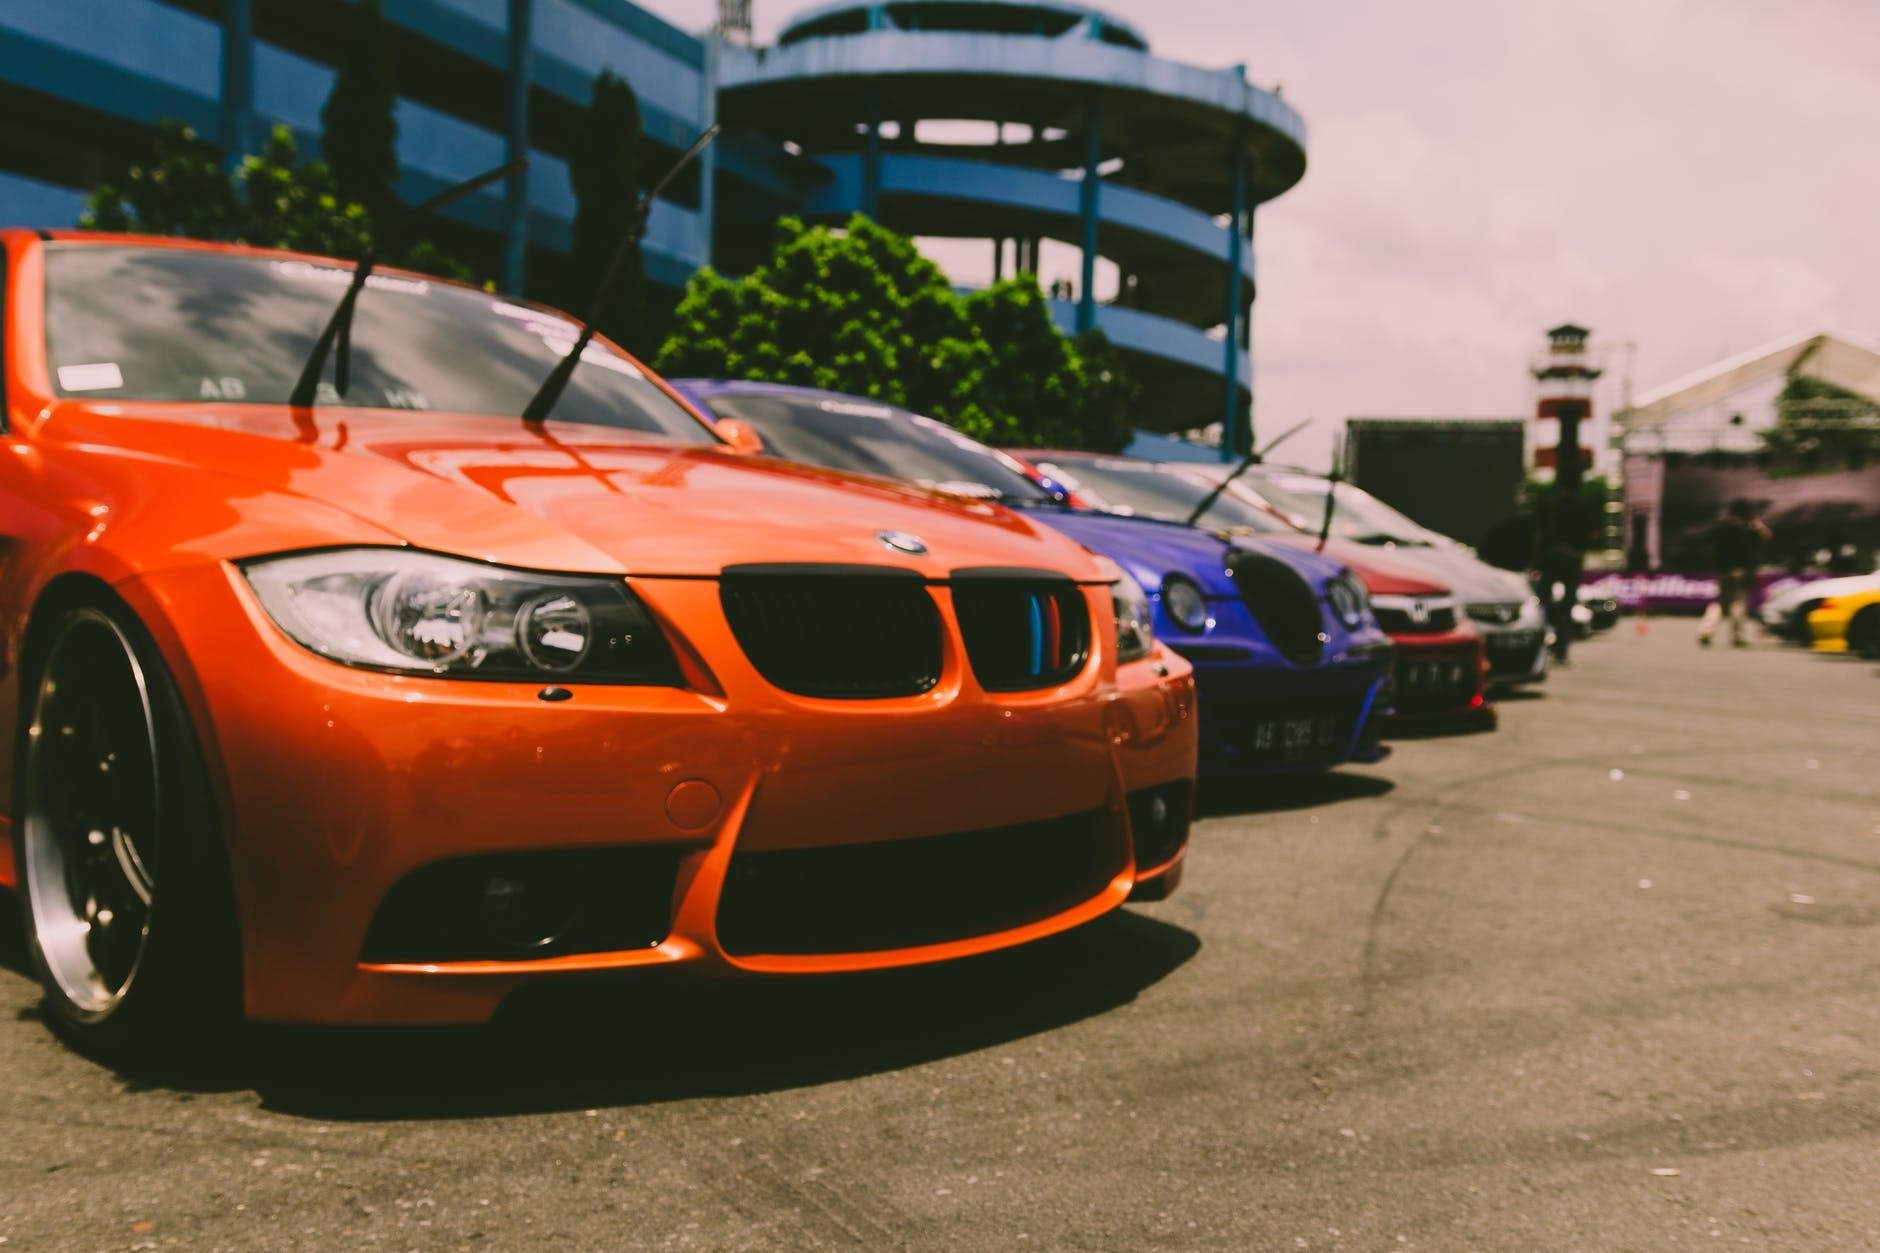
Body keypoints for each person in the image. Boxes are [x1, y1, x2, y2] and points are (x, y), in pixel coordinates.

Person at [1697, 499, 1771, 648]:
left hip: (1723, 570)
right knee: (1738, 604)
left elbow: (1706, 541)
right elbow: (1767, 536)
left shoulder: (1721, 528)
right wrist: (1756, 523)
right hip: (1743, 571)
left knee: (1719, 603)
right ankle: (1738, 636)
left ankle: (1705, 631)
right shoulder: (1748, 530)